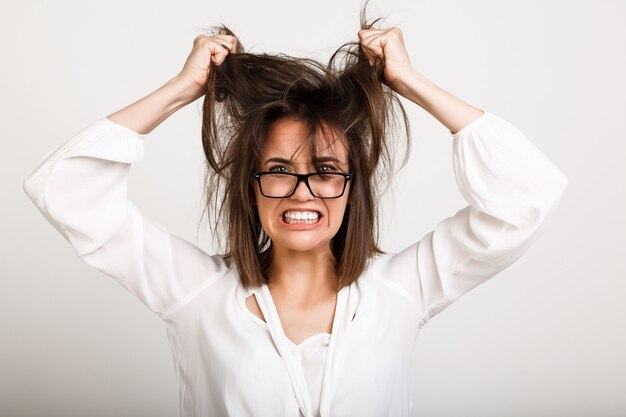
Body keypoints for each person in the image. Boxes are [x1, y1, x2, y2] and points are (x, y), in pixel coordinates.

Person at [23, 11, 568, 417]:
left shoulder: (402, 288)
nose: (302, 193)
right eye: (280, 169)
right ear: (251, 189)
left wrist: (410, 83)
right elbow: (65, 189)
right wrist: (182, 89)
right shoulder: (195, 291)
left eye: (326, 170)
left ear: (352, 189)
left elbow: (527, 196)